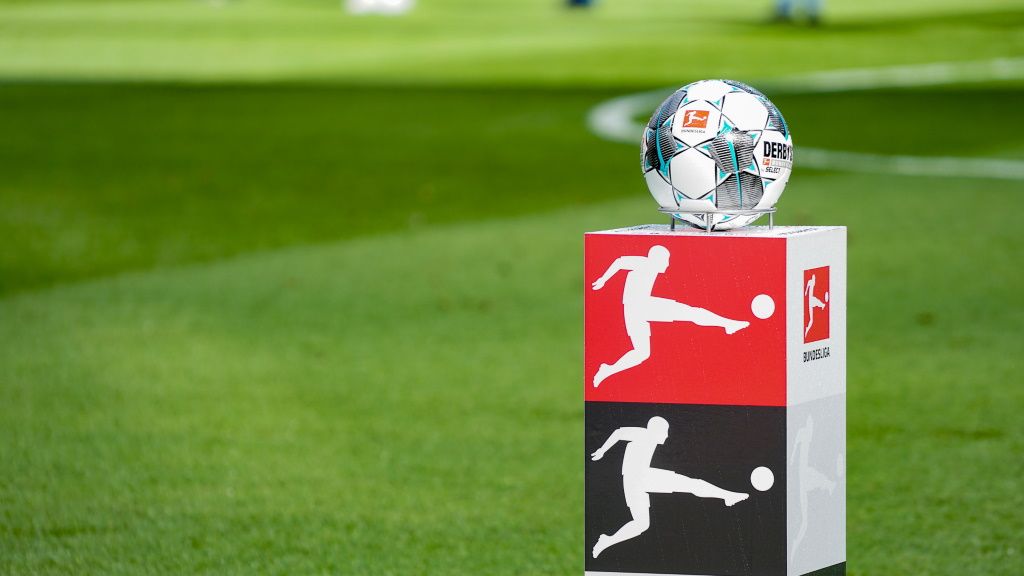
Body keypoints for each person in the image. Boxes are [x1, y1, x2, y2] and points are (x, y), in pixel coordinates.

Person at [591, 416, 749, 558]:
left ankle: (607, 541)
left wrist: (603, 451)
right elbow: (619, 433)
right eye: (665, 431)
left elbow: (619, 434)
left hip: (635, 481)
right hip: (641, 477)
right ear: (656, 430)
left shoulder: (648, 437)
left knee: (642, 524)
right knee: (692, 484)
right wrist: (602, 450)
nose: (666, 435)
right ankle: (727, 496)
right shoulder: (643, 434)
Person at [591, 245, 748, 387]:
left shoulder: (649, 267)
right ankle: (728, 324)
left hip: (634, 310)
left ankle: (607, 370)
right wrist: (603, 280)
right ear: (657, 259)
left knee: (642, 353)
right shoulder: (644, 263)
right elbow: (619, 262)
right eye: (666, 260)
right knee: (691, 313)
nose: (667, 264)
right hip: (642, 305)